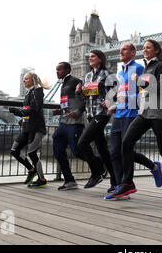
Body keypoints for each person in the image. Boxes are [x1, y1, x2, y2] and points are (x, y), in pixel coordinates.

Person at [112, 39, 162, 203]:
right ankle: (127, 182)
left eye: (148, 48)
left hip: (158, 114)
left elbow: (161, 89)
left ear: (156, 50)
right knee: (126, 142)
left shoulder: (161, 66)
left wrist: (140, 81)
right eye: (143, 48)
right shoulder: (146, 67)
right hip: (144, 112)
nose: (144, 50)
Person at [105, 42, 162, 200]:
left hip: (132, 113)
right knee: (115, 151)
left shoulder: (138, 68)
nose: (121, 52)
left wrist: (129, 98)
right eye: (120, 49)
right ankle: (120, 185)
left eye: (124, 49)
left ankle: (128, 182)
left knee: (126, 149)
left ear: (133, 52)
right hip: (119, 114)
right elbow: (122, 93)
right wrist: (115, 104)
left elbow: (145, 93)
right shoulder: (120, 71)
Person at [76, 50, 117, 191]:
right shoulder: (87, 76)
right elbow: (87, 97)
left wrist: (109, 100)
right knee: (102, 149)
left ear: (100, 59)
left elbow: (116, 90)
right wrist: (79, 92)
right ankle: (115, 181)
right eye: (89, 57)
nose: (90, 58)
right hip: (90, 114)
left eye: (93, 56)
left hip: (102, 114)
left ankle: (97, 171)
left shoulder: (108, 74)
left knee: (82, 143)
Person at [9, 71, 50, 188]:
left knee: (32, 153)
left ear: (33, 80)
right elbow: (29, 111)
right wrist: (23, 119)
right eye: (23, 79)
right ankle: (32, 170)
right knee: (14, 151)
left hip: (36, 128)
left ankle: (42, 179)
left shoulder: (37, 91)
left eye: (26, 79)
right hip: (27, 127)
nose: (23, 81)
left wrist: (17, 111)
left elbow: (34, 109)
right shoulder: (29, 93)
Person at [52, 62, 87, 191]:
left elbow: (84, 101)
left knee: (77, 152)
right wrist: (59, 111)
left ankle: (103, 163)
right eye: (56, 70)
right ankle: (69, 180)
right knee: (57, 149)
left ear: (67, 70)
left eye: (59, 70)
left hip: (74, 123)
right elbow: (67, 105)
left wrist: (78, 112)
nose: (57, 72)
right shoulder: (64, 84)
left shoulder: (76, 81)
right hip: (63, 122)